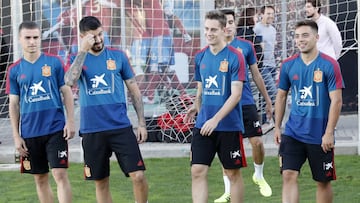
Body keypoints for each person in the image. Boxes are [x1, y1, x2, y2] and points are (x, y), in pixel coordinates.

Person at [64, 16, 149, 203]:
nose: (99, 39)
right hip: (92, 130)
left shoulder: (118, 56)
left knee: (139, 176)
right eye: (93, 36)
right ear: (83, 37)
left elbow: (134, 91)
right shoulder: (76, 58)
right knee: (101, 182)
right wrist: (82, 52)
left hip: (120, 127)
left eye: (101, 34)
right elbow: (69, 81)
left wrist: (141, 123)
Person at [274, 20, 344, 203]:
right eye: (297, 36)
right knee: (288, 174)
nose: (300, 40)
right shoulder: (288, 65)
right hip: (293, 132)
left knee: (322, 182)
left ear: (316, 37)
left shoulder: (330, 65)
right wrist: (276, 127)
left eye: (305, 35)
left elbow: (336, 101)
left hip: (320, 135)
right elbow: (281, 97)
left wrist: (329, 133)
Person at [6, 21, 75, 203]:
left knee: (60, 174)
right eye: (28, 38)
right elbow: (14, 104)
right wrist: (16, 135)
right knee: (40, 178)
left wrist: (71, 121)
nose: (32, 42)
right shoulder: (14, 70)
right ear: (20, 39)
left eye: (35, 37)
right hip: (30, 131)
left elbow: (66, 91)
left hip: (55, 129)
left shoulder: (54, 62)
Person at [184, 10, 247, 203]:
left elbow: (236, 95)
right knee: (197, 170)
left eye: (213, 29)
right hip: (203, 124)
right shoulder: (200, 57)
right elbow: (201, 86)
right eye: (206, 29)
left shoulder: (236, 57)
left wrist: (216, 119)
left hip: (228, 126)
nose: (209, 33)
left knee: (232, 173)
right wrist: (197, 105)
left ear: (223, 30)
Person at [213, 9, 273, 203]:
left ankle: (259, 175)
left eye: (231, 22)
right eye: (226, 22)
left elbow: (256, 75)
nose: (228, 25)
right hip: (223, 106)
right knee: (226, 148)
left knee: (258, 142)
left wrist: (268, 100)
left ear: (235, 24)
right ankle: (228, 190)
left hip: (245, 102)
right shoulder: (214, 48)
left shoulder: (246, 46)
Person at [254, 5, 277, 125]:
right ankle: (279, 119)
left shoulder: (273, 29)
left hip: (272, 65)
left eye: (272, 14)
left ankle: (263, 121)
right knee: (274, 92)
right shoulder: (257, 28)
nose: (271, 16)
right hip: (262, 67)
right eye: (268, 13)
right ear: (261, 14)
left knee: (264, 95)